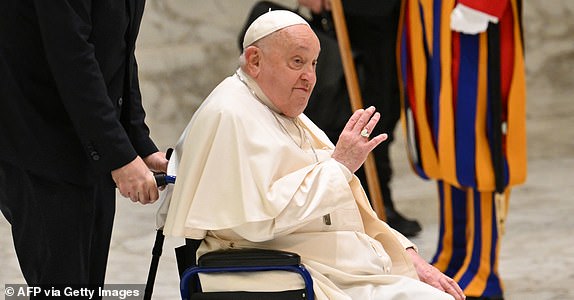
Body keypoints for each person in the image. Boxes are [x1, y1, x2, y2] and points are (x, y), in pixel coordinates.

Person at [160, 10, 465, 300]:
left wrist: (410, 257)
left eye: (314, 64)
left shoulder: (280, 107)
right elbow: (258, 221)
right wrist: (341, 166)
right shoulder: (231, 113)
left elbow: (348, 206)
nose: (309, 77)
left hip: (329, 266)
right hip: (286, 271)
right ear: (254, 61)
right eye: (297, 62)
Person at [0, 0, 167, 296]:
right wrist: (118, 154)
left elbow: (120, 49)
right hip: (40, 143)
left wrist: (136, 141)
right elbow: (72, 56)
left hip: (90, 141)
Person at [398, 0, 526, 299]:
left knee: (476, 139)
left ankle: (482, 268)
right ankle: (453, 254)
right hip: (430, 14)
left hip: (472, 16)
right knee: (444, 136)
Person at [295, 0, 422, 237]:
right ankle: (358, 204)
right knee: (353, 108)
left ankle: (378, 200)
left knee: (387, 105)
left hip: (396, 17)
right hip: (352, 15)